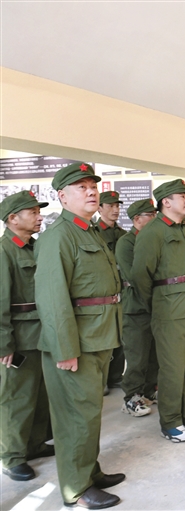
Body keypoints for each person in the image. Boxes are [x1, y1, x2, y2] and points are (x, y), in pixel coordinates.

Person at [35, 162, 124, 509]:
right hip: (77, 343)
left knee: (89, 413)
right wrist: (65, 349)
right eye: (82, 187)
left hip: (98, 336)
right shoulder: (58, 236)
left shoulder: (89, 231)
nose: (91, 192)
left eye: (93, 186)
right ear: (62, 196)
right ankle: (76, 487)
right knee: (76, 418)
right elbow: (53, 299)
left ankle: (89, 471)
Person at [133, 179, 185, 442]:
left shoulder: (184, 229)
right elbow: (140, 276)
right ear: (166, 202)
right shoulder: (153, 232)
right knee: (172, 368)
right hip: (170, 309)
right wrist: (159, 304)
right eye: (182, 197)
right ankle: (170, 421)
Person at [1, 190, 53, 482]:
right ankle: (12, 456)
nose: (39, 217)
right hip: (20, 337)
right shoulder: (4, 251)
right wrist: (3, 344)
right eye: (32, 212)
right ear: (13, 218)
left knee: (40, 395)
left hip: (41, 332)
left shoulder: (35, 247)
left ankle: (34, 444)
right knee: (16, 398)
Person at [114, 198, 158, 418]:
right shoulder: (126, 242)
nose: (155, 218)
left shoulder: (154, 239)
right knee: (137, 355)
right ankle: (131, 397)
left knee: (155, 355)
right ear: (137, 219)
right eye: (151, 215)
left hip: (155, 304)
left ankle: (149, 391)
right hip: (136, 306)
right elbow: (135, 276)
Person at [96, 191, 128, 393]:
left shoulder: (123, 234)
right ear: (100, 208)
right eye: (110, 206)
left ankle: (116, 375)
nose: (115, 209)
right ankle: (103, 378)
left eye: (117, 206)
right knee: (104, 336)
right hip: (103, 292)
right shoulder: (94, 233)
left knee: (121, 334)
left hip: (122, 290)